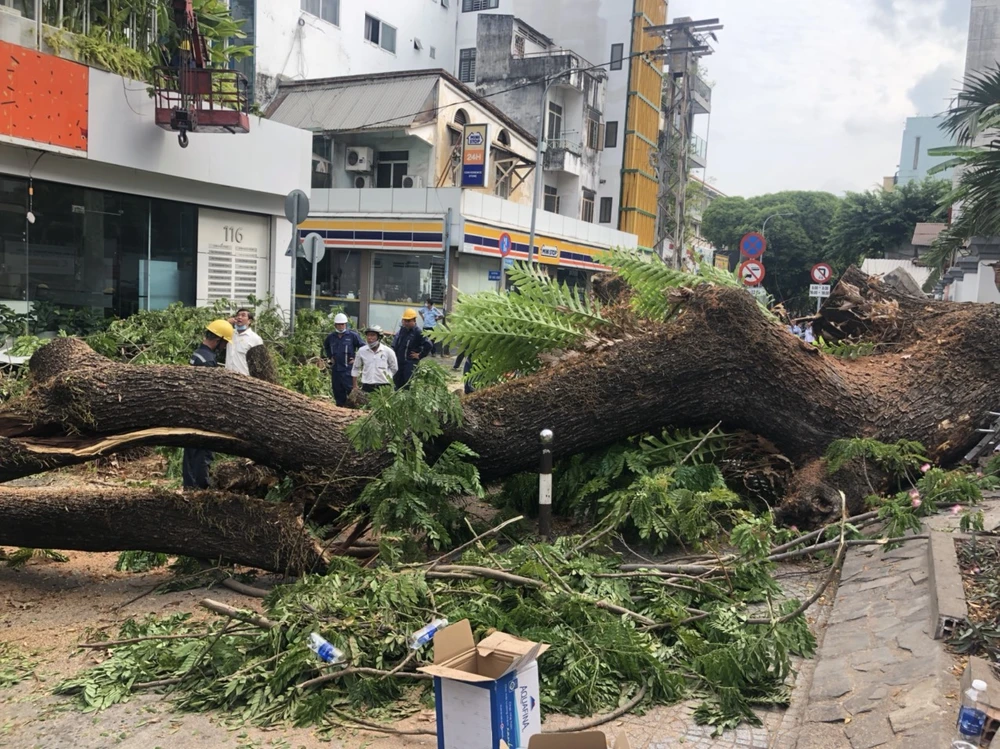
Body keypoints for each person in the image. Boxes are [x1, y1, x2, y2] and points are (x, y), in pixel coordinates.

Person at [183, 319, 233, 490]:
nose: (225, 347)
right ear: (218, 340)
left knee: (190, 451)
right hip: (203, 412)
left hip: (191, 409)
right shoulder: (208, 360)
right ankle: (201, 489)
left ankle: (189, 487)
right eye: (225, 343)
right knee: (203, 452)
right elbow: (209, 391)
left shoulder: (198, 353)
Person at [323, 313, 364, 407]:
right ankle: (339, 411)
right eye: (339, 324)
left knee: (351, 393)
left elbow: (364, 348)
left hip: (348, 370)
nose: (341, 326)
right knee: (338, 392)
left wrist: (357, 359)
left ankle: (353, 412)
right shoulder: (331, 337)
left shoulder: (352, 336)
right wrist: (330, 357)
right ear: (335, 325)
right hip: (336, 370)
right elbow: (326, 347)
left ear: (346, 324)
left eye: (342, 324)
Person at [352, 325, 398, 393]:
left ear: (379, 337)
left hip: (384, 387)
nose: (370, 338)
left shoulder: (388, 351)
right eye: (368, 335)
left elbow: (394, 368)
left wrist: (386, 377)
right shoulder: (361, 351)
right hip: (367, 386)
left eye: (373, 335)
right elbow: (355, 368)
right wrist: (355, 385)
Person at [392, 308, 431, 389]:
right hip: (399, 362)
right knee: (397, 383)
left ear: (414, 320)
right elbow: (396, 342)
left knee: (407, 385)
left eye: (408, 321)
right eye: (405, 320)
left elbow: (429, 344)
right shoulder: (402, 330)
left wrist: (420, 355)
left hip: (410, 364)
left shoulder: (418, 332)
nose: (406, 323)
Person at [225, 308, 263, 376]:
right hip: (227, 376)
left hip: (244, 379)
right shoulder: (230, 333)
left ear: (249, 321)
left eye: (243, 315)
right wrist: (226, 323)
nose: (239, 317)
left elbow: (259, 362)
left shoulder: (255, 339)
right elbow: (214, 334)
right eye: (238, 315)